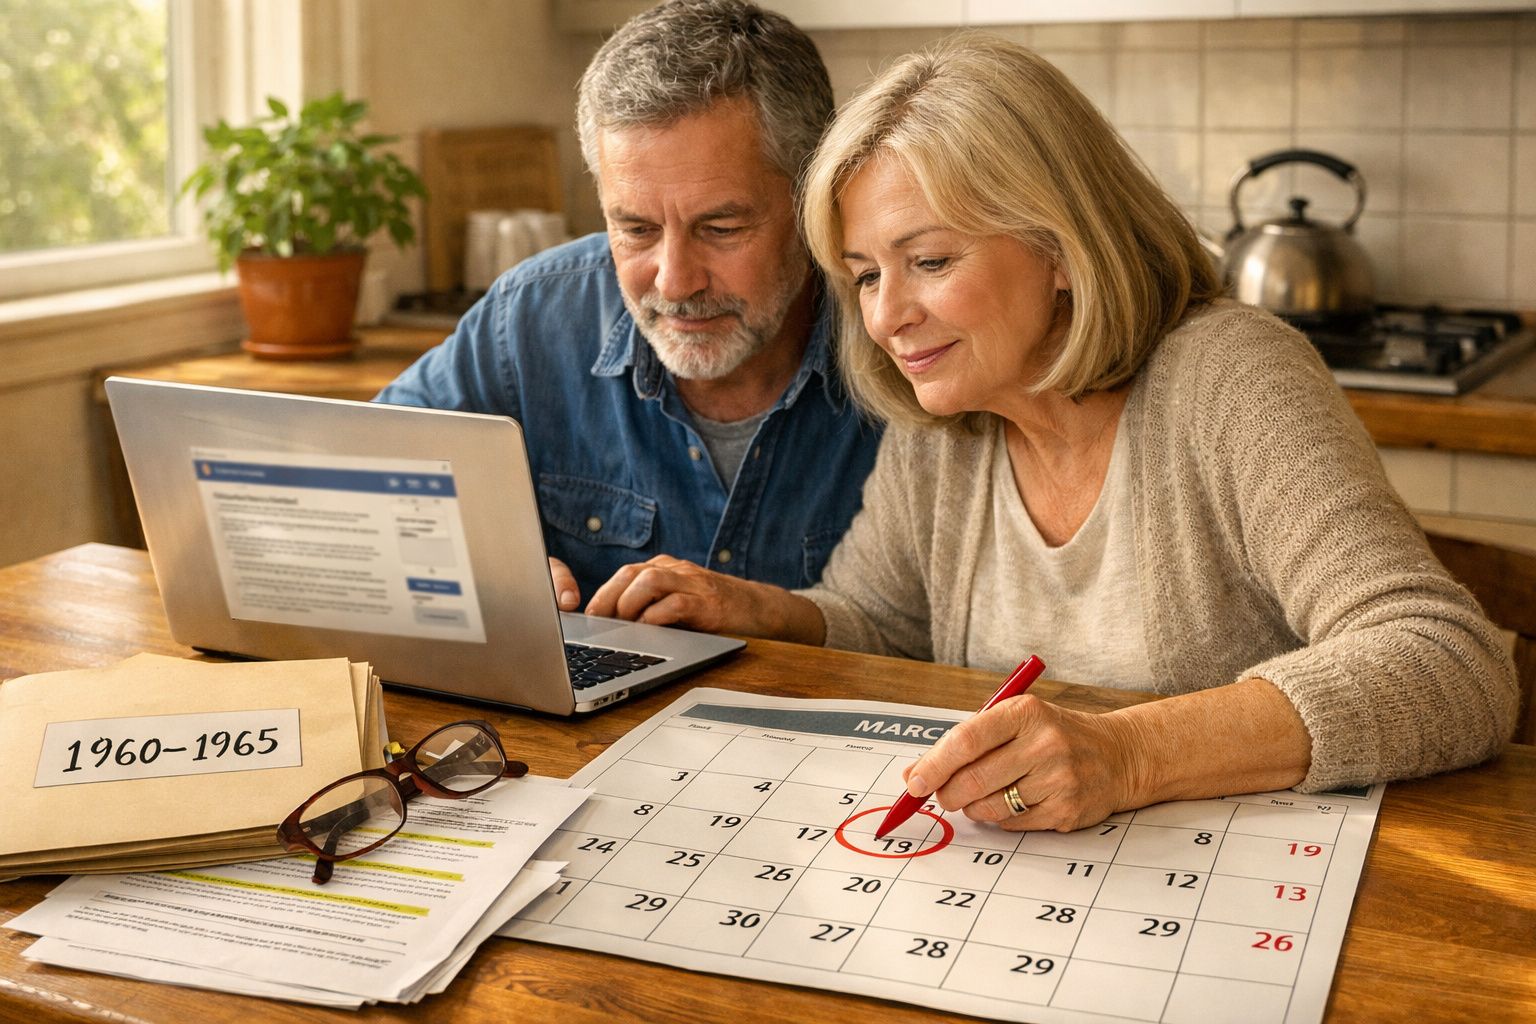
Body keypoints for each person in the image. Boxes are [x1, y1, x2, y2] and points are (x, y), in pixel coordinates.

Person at [584, 35, 1518, 833]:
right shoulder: (947, 410)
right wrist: (760, 611)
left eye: (932, 261)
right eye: (866, 275)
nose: (887, 317)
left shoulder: (1229, 375)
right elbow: (887, 624)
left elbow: (1447, 661)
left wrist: (1129, 753)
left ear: (1063, 249)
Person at [374, 0, 881, 609]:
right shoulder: (534, 317)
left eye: (720, 229)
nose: (674, 283)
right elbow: (370, 480)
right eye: (636, 230)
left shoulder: (900, 336)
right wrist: (481, 560)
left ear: (814, 200)